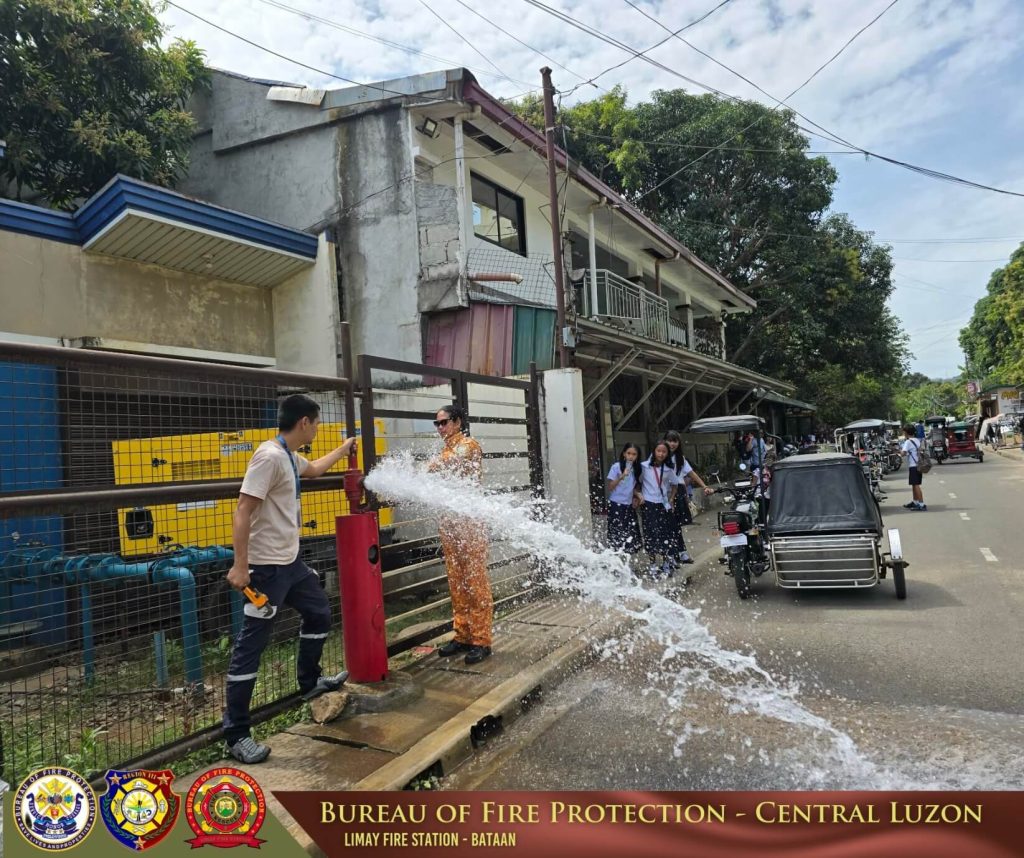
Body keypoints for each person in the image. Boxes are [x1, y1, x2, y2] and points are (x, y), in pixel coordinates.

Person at [223, 394, 357, 764]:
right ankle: (236, 734)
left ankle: (309, 682)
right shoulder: (268, 457)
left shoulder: (288, 456)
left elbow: (313, 469)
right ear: (303, 423)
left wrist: (343, 451)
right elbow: (242, 511)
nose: (317, 429)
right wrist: (241, 565)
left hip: (291, 563)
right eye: (316, 423)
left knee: (319, 613)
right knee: (251, 648)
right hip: (266, 570)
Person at [428, 404, 493, 666]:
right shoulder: (444, 450)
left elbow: (449, 463)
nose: (440, 428)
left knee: (475, 582)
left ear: (456, 422)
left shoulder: (469, 445)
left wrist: (428, 467)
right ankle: (462, 635)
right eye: (437, 424)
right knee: (457, 582)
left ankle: (481, 640)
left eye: (443, 423)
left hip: (469, 526)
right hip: (450, 526)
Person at [634, 440, 684, 578]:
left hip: (663, 505)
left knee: (665, 534)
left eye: (664, 452)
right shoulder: (644, 466)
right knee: (650, 534)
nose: (661, 454)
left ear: (667, 454)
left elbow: (675, 484)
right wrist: (638, 496)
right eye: (658, 451)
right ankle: (652, 564)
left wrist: (671, 498)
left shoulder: (668, 469)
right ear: (654, 451)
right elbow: (637, 482)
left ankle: (667, 562)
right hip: (648, 505)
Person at [664, 431, 713, 559]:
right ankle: (674, 553)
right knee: (669, 524)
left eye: (675, 441)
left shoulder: (681, 459)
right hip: (664, 493)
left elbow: (691, 473)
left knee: (675, 524)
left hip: (678, 491)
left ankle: (680, 552)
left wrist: (704, 486)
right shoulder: (660, 456)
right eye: (669, 440)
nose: (672, 444)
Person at [606, 443, 643, 556]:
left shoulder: (636, 469)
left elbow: (632, 487)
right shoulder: (616, 467)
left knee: (630, 534)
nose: (631, 456)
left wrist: (637, 495)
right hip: (616, 504)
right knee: (616, 533)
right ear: (624, 454)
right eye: (628, 453)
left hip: (628, 505)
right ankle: (615, 559)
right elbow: (610, 486)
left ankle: (627, 562)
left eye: (634, 454)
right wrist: (621, 476)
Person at [901, 424, 926, 511]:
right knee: (914, 484)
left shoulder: (908, 442)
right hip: (918, 465)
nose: (903, 433)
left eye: (904, 431)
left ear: (906, 432)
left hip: (914, 466)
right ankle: (915, 502)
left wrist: (897, 451)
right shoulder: (916, 440)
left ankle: (921, 504)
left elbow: (903, 453)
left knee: (916, 485)